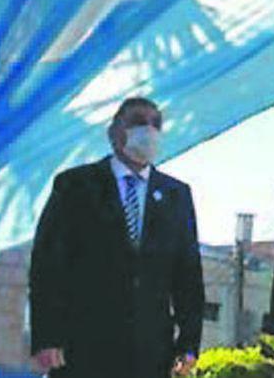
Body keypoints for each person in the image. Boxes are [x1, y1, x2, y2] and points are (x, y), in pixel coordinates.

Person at [29, 97, 204, 378]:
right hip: (82, 346)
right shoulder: (76, 185)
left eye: (155, 124)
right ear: (114, 133)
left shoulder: (176, 195)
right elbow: (47, 265)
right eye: (137, 122)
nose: (148, 130)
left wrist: (189, 343)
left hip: (150, 352)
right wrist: (47, 337)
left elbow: (188, 275)